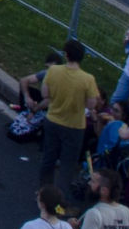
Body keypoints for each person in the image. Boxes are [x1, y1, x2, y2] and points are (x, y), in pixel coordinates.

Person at [39, 39, 99, 191]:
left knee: (48, 158)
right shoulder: (88, 79)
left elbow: (45, 93)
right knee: (67, 164)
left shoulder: (53, 71)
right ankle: (59, 199)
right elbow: (91, 104)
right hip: (74, 126)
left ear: (66, 55)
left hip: (52, 120)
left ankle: (43, 192)